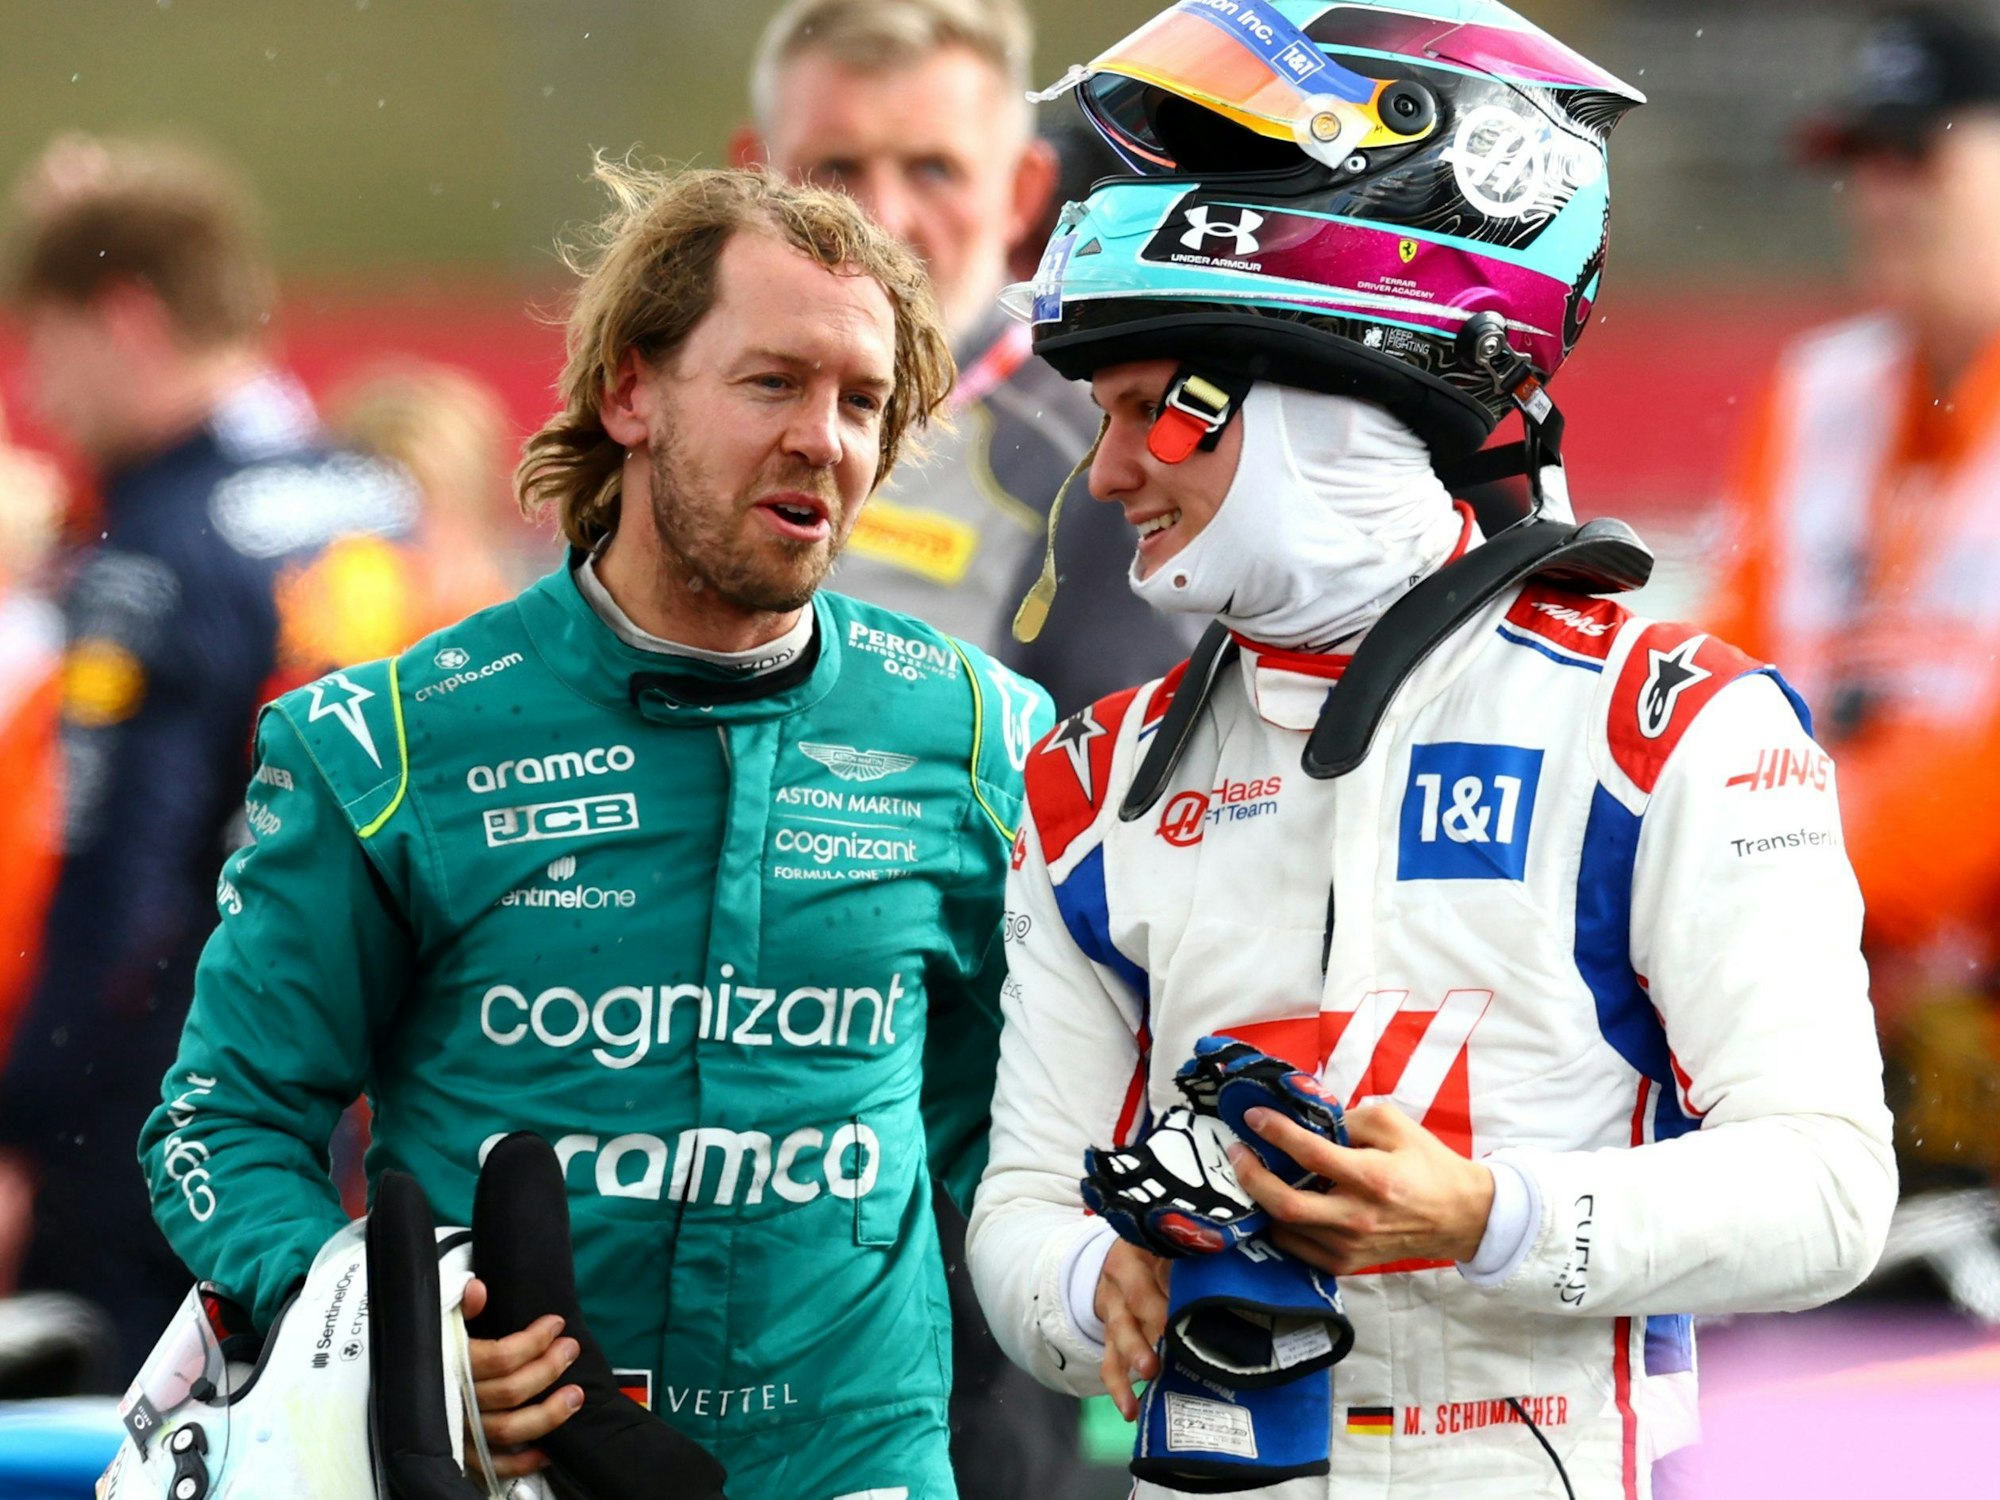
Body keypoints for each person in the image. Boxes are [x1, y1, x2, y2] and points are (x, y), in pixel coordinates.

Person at [966, 3, 1897, 1496]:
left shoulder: (1671, 726)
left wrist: (1481, 1218)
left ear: (1339, 387)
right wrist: (1096, 1294)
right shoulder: (1089, 776)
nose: (1110, 469)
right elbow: (1016, 1213)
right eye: (1103, 413)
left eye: (1154, 411)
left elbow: (1833, 1192)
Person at [139, 161, 1053, 1500]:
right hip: (507, 1472)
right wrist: (384, 1330)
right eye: (772, 382)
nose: (825, 438)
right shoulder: (387, 745)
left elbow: (1010, 1116)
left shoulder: (977, 732)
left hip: (861, 1465)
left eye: (863, 402)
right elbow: (218, 1123)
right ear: (631, 392)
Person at [0, 134, 423, 1384]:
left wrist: (23, 1126)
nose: (38, 388)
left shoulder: (159, 548)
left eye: (45, 340)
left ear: (125, 318)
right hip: (369, 1085)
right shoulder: (371, 493)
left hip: (176, 1118)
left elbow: (113, 890)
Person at [1708, 3, 2000, 1193]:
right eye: (1858, 165)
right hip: (1845, 1003)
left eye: (1916, 157)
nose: (1879, 196)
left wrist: (1784, 856)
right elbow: (1722, 688)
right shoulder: (1815, 391)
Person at [731, 0, 1197, 717]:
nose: (880, 217)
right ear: (752, 182)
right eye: (835, 166)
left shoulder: (1100, 463)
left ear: (1023, 192)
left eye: (933, 169)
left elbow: (1128, 799)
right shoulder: (676, 411)